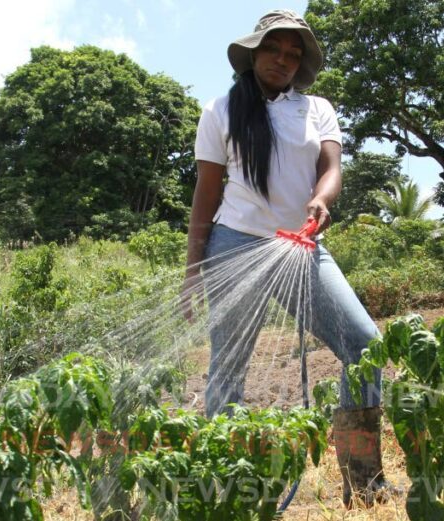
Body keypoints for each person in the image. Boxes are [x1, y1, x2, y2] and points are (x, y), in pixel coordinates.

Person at [180, 9, 396, 509]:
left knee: (365, 346)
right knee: (228, 370)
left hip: (300, 245)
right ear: (254, 54)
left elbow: (331, 169)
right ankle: (227, 490)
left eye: (293, 53)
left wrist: (322, 199)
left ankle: (363, 480)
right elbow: (206, 195)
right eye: (274, 49)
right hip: (234, 247)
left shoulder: (317, 108)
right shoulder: (220, 111)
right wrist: (192, 273)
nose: (283, 59)